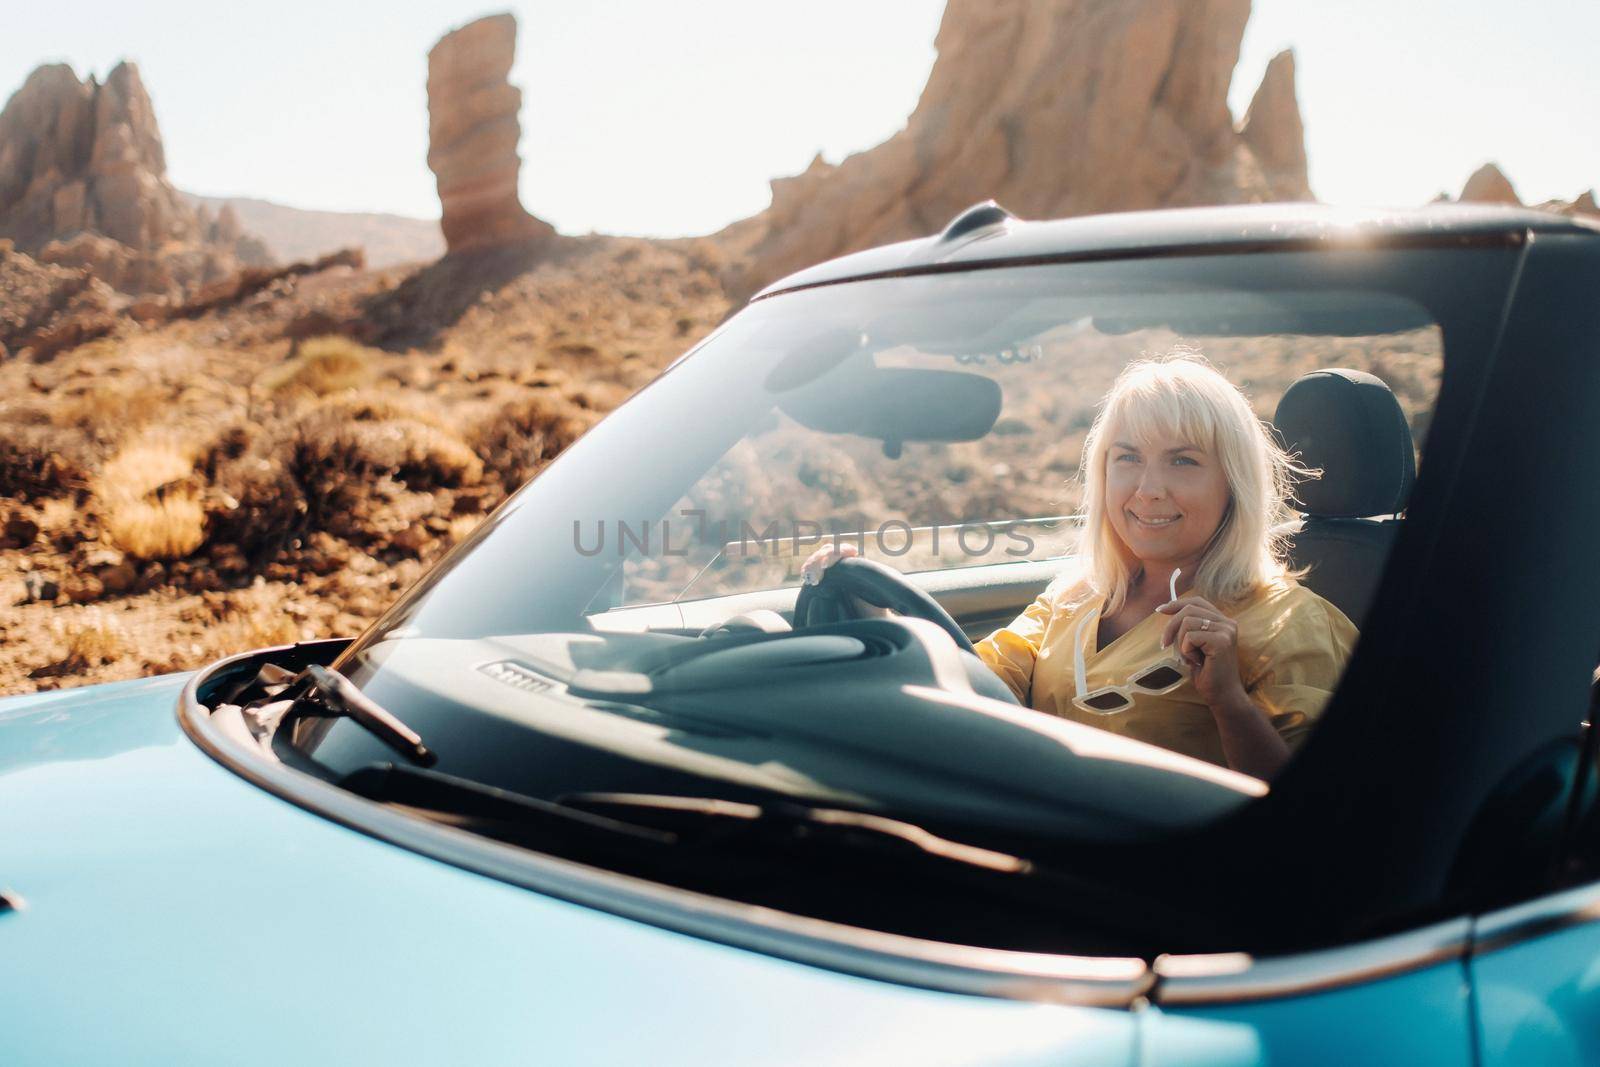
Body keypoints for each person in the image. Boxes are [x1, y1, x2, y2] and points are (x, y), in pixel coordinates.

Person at [801, 355, 1357, 779]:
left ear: (1233, 482)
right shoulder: (1075, 595)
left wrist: (1228, 701)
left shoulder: (1297, 625)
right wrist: (880, 618)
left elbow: (1314, 821)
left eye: (1183, 461)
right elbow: (974, 683)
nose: (1148, 489)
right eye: (1128, 458)